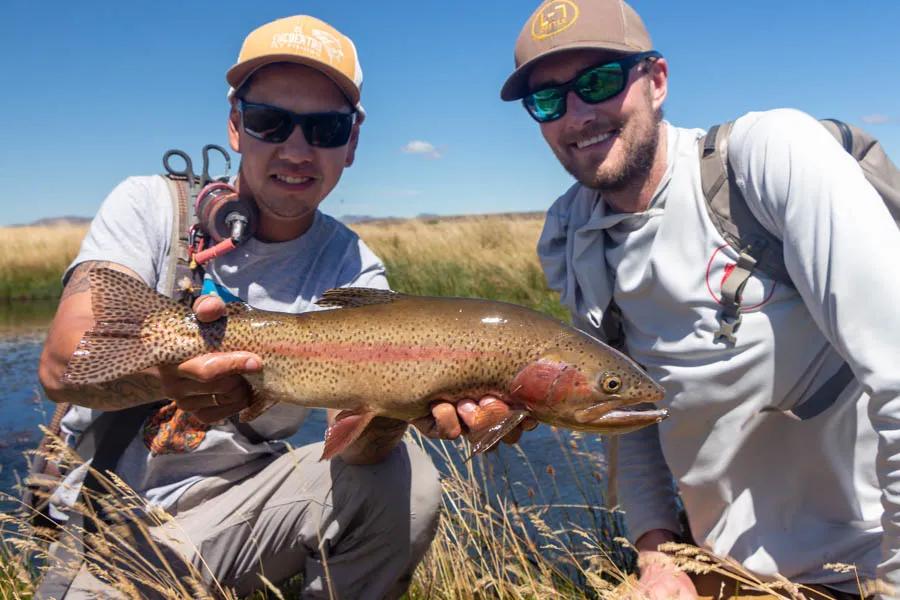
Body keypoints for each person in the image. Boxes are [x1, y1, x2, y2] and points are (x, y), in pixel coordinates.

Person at [36, 14, 523, 599]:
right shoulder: (149, 206)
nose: (297, 149)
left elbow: (358, 451)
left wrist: (403, 404)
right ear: (236, 126)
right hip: (113, 533)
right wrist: (165, 372)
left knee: (408, 479)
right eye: (272, 122)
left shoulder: (352, 266)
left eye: (325, 128)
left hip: (250, 518)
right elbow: (64, 365)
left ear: (353, 143)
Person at [494, 1, 900, 598]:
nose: (577, 115)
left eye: (600, 81)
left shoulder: (766, 159)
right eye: (549, 100)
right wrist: (658, 554)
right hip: (718, 571)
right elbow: (626, 412)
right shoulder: (570, 233)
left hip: (866, 566)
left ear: (655, 80)